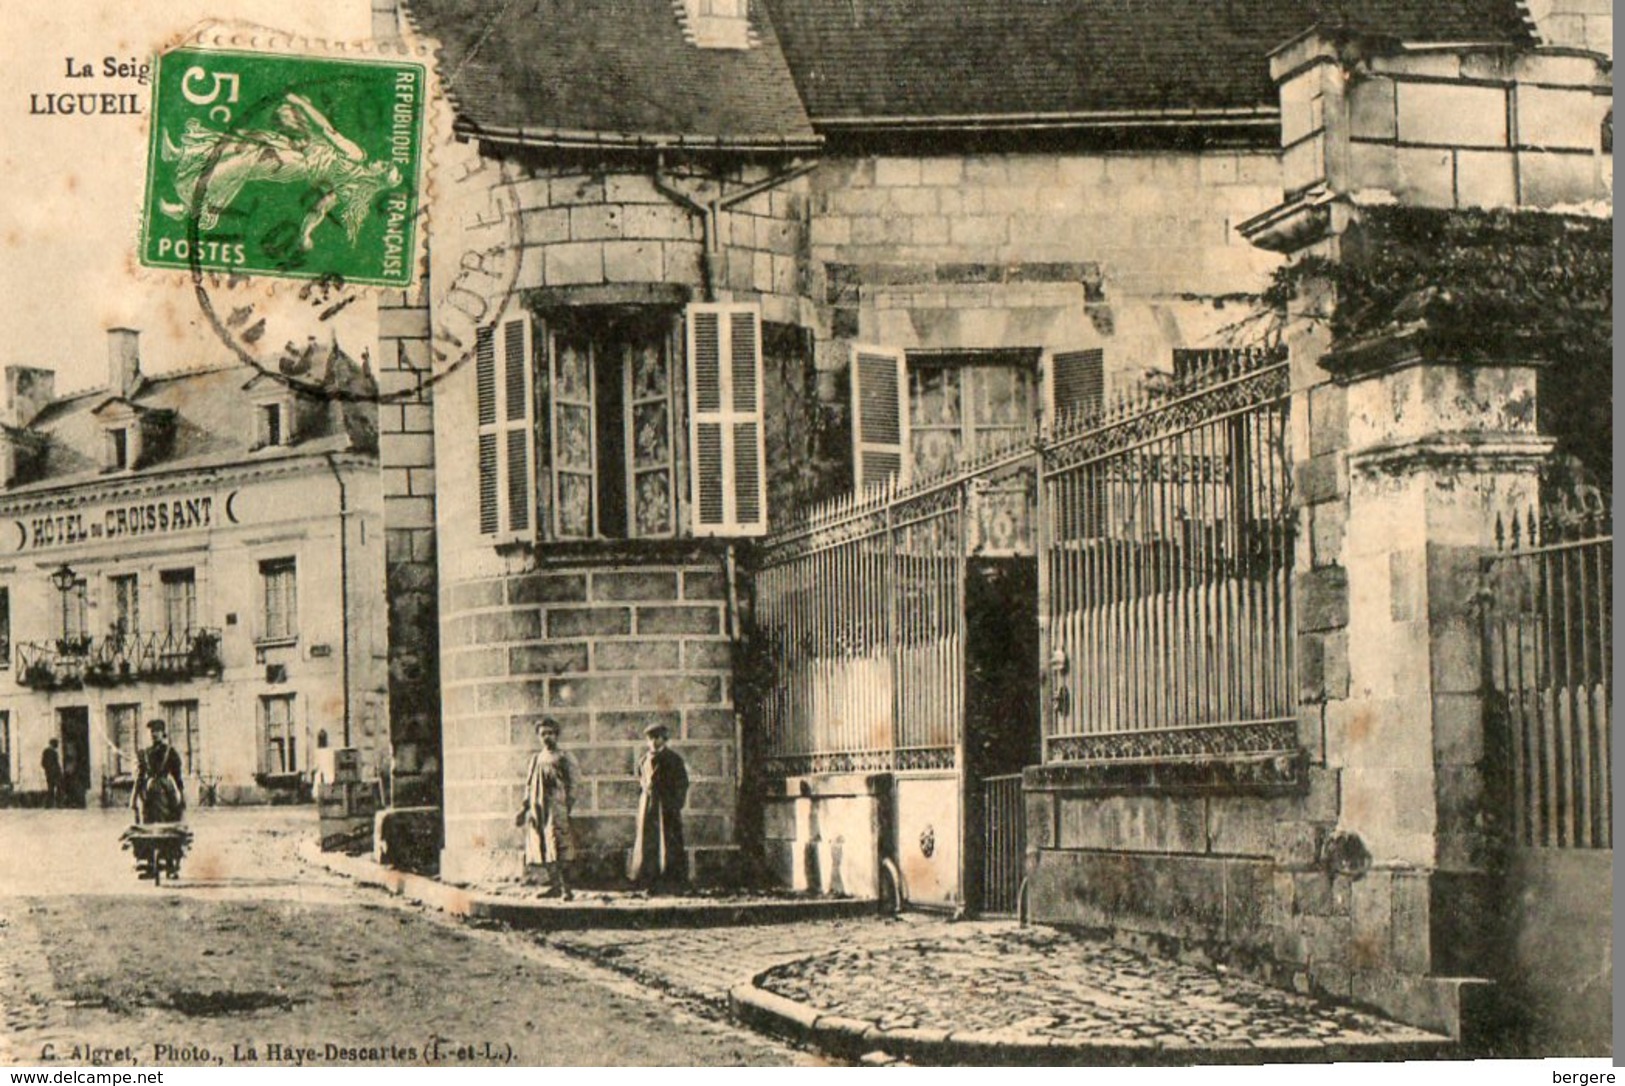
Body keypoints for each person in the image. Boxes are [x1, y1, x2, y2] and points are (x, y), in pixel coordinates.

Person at [515, 718, 577, 899]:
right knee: (542, 846)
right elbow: (529, 785)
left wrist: (567, 804)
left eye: (550, 733)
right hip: (538, 809)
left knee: (559, 846)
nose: (546, 737)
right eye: (543, 734)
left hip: (556, 809)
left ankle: (567, 889)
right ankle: (554, 886)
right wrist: (523, 808)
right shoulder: (535, 759)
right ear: (538, 737)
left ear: (556, 735)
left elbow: (574, 783)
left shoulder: (564, 757)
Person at [630, 723, 689, 892]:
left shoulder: (673, 759)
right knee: (648, 842)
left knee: (668, 841)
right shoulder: (643, 760)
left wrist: (675, 804)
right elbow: (640, 781)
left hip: (666, 807)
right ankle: (649, 880)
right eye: (650, 738)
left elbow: (682, 783)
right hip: (648, 807)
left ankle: (672, 881)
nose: (654, 742)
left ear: (664, 739)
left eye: (658, 738)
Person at [131, 719, 185, 824]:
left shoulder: (170, 752)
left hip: (166, 790)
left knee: (171, 818)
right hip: (149, 790)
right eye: (151, 731)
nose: (154, 734)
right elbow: (139, 778)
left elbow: (177, 776)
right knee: (147, 820)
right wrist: (134, 798)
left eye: (157, 731)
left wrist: (182, 796)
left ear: (163, 733)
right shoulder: (143, 754)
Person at [40, 739, 62, 808]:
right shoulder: (53, 753)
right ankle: (57, 804)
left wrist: (47, 770)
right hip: (54, 773)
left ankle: (49, 804)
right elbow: (56, 764)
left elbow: (43, 763)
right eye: (56, 744)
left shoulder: (46, 752)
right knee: (58, 787)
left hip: (49, 773)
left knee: (51, 788)